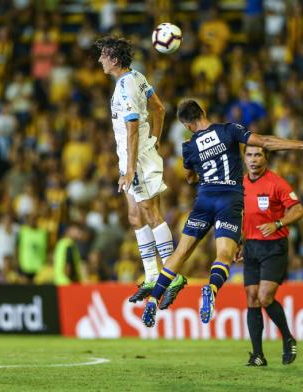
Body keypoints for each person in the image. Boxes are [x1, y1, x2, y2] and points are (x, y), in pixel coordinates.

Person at [142, 99, 303, 328]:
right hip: (230, 198)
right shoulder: (230, 130)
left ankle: (152, 300)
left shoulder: (189, 146)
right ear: (203, 112)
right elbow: (265, 142)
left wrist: (202, 168)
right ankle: (212, 288)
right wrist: (299, 145)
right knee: (225, 254)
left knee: (181, 252)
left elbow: (190, 177)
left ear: (187, 126)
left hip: (205, 198)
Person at [96, 36, 186, 306]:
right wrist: (156, 139)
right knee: (135, 216)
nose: (99, 60)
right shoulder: (136, 77)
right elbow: (159, 108)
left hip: (137, 160)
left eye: (102, 55)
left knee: (149, 212)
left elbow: (133, 127)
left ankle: (172, 275)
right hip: (132, 157)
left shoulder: (124, 88)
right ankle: (151, 276)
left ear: (113, 59)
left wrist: (132, 167)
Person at [238, 145, 302, 366]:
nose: (253, 159)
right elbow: (240, 214)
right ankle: (257, 355)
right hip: (251, 246)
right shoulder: (240, 184)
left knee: (265, 297)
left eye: (258, 155)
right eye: (249, 155)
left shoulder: (277, 183)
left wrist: (278, 223)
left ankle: (288, 337)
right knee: (252, 297)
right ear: (244, 158)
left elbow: (298, 209)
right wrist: (238, 241)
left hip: (274, 246)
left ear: (265, 157)